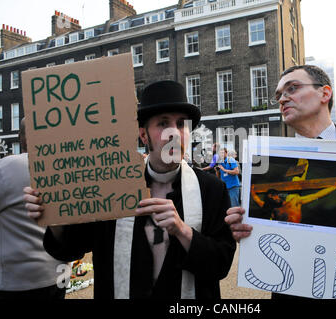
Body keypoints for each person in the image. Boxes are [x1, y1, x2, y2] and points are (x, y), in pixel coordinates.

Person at [24, 80, 236, 299]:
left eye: (181, 123)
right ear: (143, 135)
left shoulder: (212, 189)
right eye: (163, 123)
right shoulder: (110, 187)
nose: (174, 132)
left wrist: (182, 230)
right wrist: (54, 216)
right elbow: (71, 248)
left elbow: (221, 264)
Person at [225, 64, 336, 299]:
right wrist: (248, 223)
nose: (282, 99)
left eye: (292, 88)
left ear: (325, 93)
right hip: (294, 289)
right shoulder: (268, 161)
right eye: (279, 94)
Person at [0, 119, 65, 299]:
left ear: (20, 138)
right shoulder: (62, 168)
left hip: (15, 281)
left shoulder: (4, 169)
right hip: (58, 274)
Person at [250, 178, 336, 223]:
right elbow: (258, 201)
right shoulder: (272, 207)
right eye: (273, 197)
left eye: (275, 196)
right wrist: (252, 191)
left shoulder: (294, 201)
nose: (276, 197)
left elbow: (317, 195)